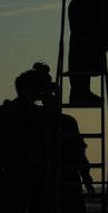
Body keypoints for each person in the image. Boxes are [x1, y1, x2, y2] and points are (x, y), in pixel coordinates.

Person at [0, 63, 52, 212]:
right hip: (19, 172)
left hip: (17, 173)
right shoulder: (23, 113)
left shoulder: (7, 111)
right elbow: (50, 121)